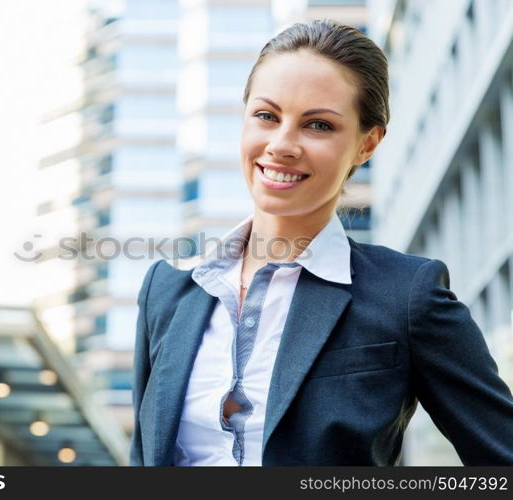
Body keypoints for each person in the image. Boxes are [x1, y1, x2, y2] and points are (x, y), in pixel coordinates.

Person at [129, 19, 513, 466]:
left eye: (318, 125)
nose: (282, 145)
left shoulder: (408, 295)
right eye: (266, 116)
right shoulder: (166, 291)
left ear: (367, 143)